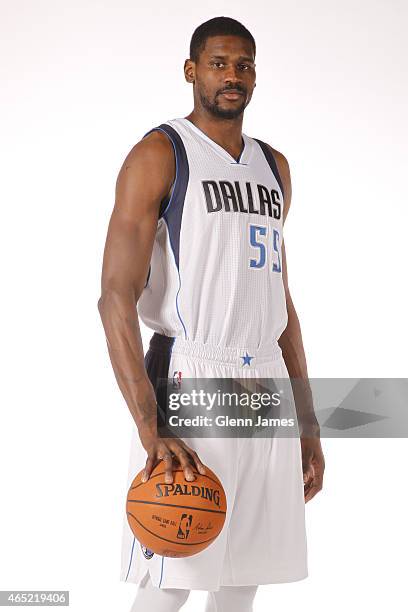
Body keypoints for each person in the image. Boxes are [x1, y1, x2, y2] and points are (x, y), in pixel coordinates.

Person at [97, 15, 325, 612]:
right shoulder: (161, 152)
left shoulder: (274, 167)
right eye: (219, 63)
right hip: (190, 371)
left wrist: (308, 418)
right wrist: (152, 426)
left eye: (244, 64)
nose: (233, 76)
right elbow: (115, 299)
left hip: (264, 377)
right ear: (191, 71)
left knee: (243, 574)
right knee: (174, 567)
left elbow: (281, 300)